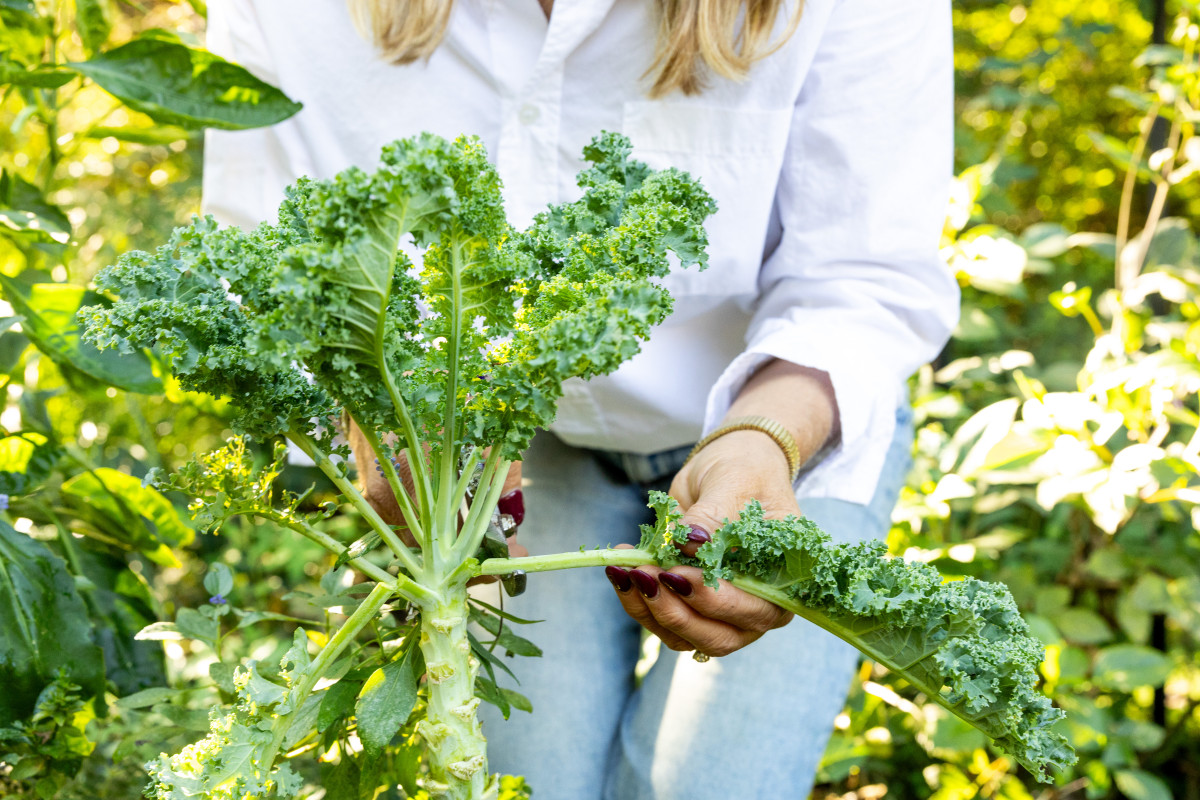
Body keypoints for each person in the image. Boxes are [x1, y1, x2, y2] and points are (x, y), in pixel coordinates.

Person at [202, 1, 959, 798]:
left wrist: (761, 437)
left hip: (786, 428)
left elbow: (862, 281)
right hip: (520, 454)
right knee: (537, 781)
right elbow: (264, 261)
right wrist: (377, 406)